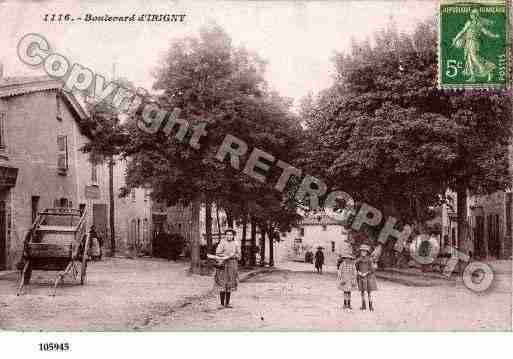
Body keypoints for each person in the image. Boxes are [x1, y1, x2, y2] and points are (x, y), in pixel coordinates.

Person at [452, 8, 500, 82]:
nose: (471, 16)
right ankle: (472, 76)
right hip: (468, 42)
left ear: (476, 16)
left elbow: (486, 32)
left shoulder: (479, 24)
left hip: (474, 42)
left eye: (473, 14)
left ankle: (488, 71)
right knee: (469, 59)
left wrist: (494, 36)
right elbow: (462, 32)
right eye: (471, 14)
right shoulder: (469, 23)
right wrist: (455, 39)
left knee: (474, 57)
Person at [213, 229, 241, 308]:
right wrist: (225, 255)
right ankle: (222, 304)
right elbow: (217, 253)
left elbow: (239, 256)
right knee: (222, 282)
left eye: (231, 235)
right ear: (225, 235)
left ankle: (227, 303)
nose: (229, 236)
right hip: (223, 264)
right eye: (227, 234)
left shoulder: (236, 244)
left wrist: (233, 255)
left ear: (233, 236)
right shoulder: (222, 243)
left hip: (232, 265)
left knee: (230, 283)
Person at [355, 244, 378, 311]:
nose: (363, 253)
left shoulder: (369, 260)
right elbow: (355, 268)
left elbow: (372, 269)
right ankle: (363, 305)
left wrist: (366, 273)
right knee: (362, 292)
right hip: (361, 277)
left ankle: (371, 306)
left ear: (367, 252)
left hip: (368, 278)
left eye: (365, 251)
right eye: (362, 251)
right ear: (360, 252)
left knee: (369, 292)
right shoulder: (358, 260)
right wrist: (358, 272)